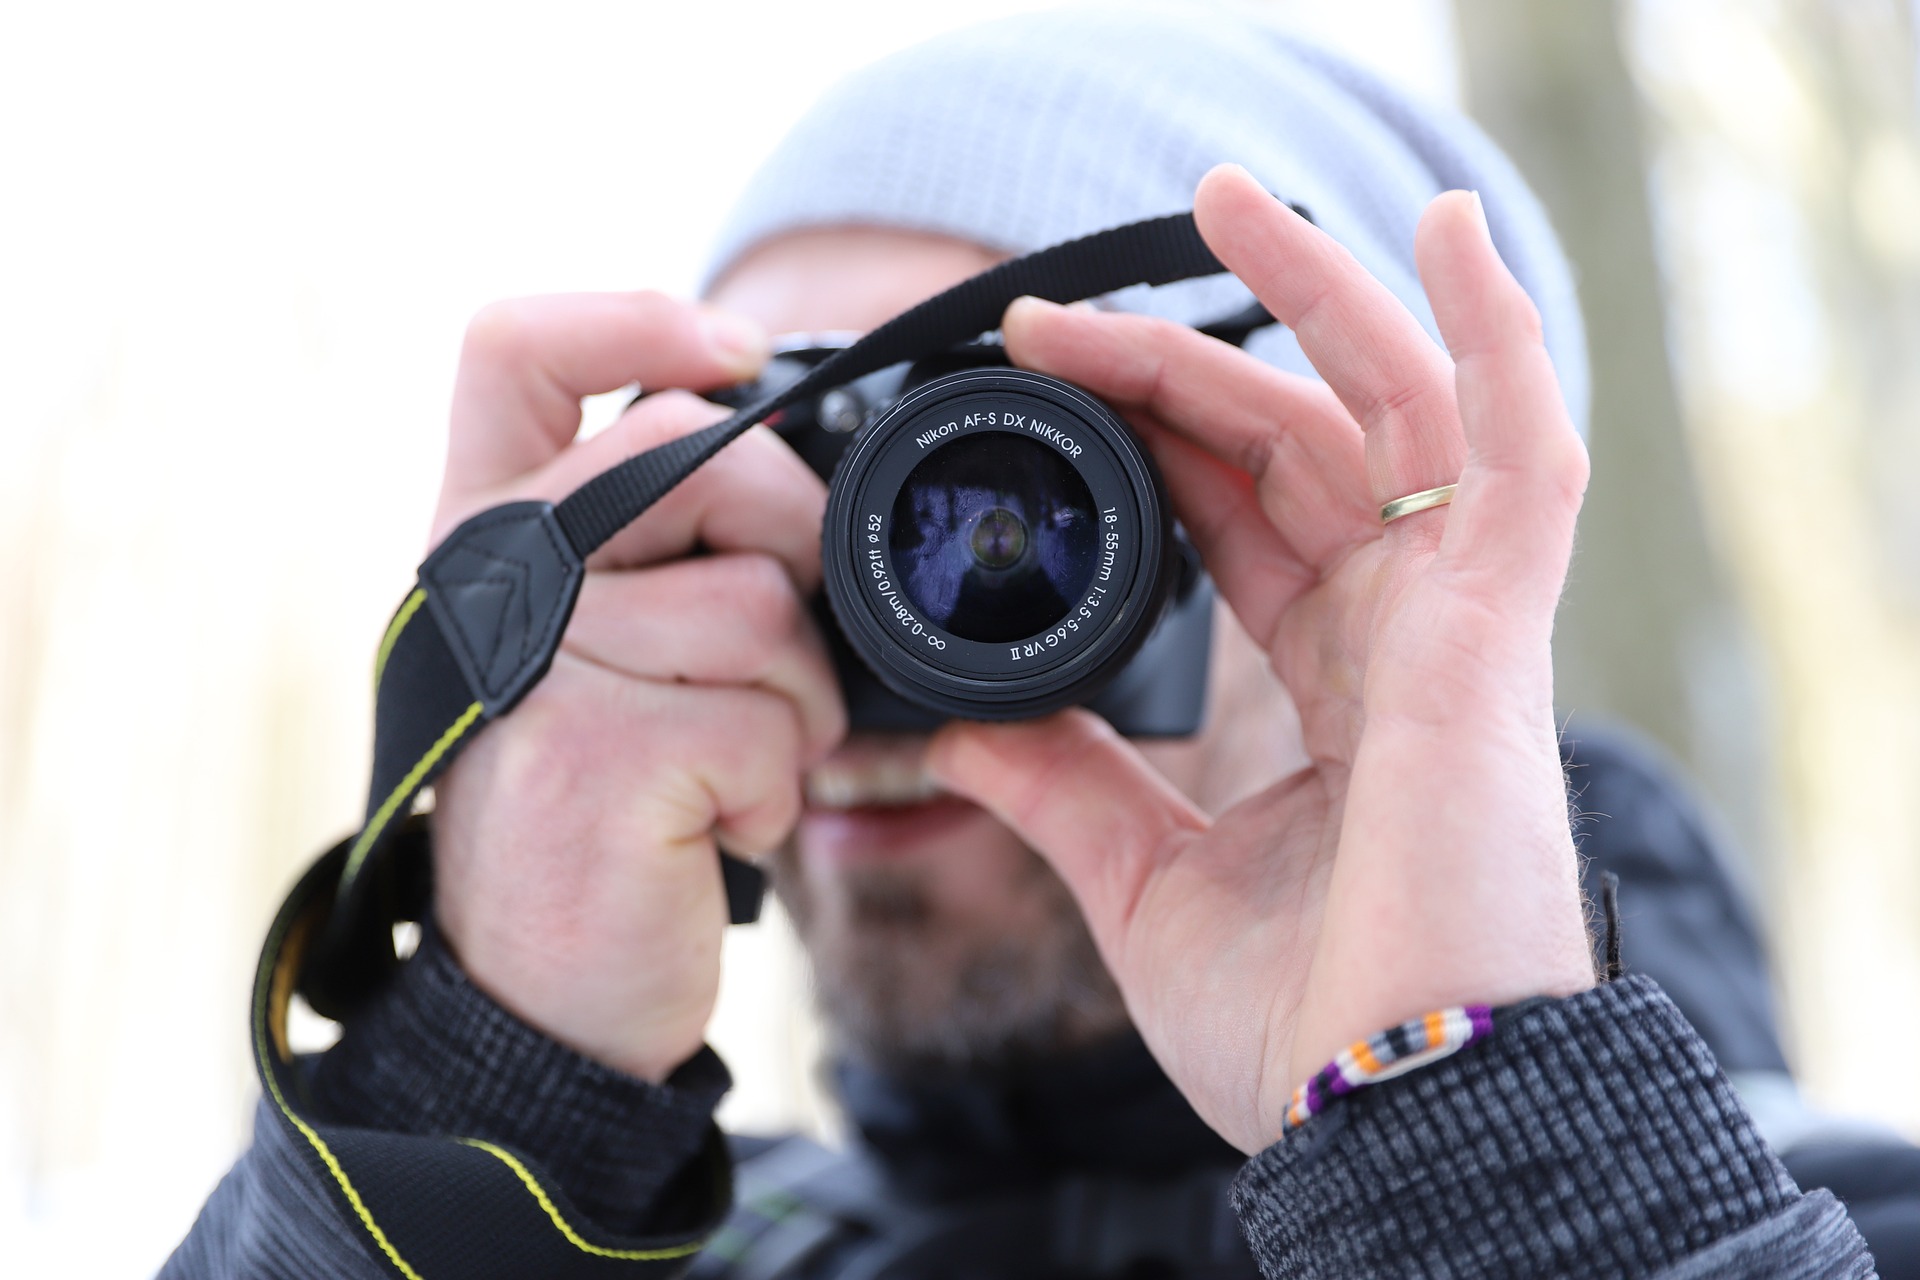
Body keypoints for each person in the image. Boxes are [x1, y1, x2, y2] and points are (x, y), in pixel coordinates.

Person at [163, 7, 1905, 1277]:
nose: (880, 597)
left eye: (1012, 459)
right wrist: (480, 1094)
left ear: (1377, 554)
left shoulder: (1832, 1233)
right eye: (800, 461)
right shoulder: (623, 1252)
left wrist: (1496, 1148)